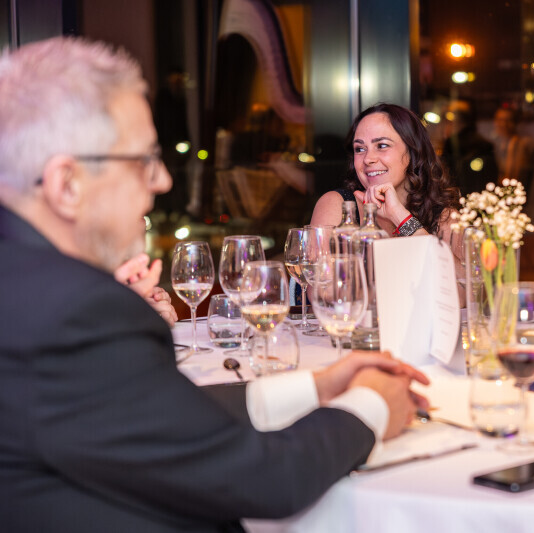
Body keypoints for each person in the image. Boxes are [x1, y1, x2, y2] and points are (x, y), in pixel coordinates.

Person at [0, 37, 428, 531]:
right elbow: (266, 479)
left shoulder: (27, 287)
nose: (162, 181)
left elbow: (161, 415)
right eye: (143, 161)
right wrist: (371, 404)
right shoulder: (73, 314)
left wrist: (315, 387)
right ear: (66, 185)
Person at [310, 102, 461, 246]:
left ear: (413, 151)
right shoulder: (337, 206)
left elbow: (448, 265)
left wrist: (399, 216)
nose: (368, 159)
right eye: (360, 149)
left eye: (382, 145)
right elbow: (318, 264)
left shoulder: (444, 217)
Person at [440, 100, 498, 196]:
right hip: (480, 199)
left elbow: (447, 177)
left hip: (460, 197)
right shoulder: (484, 145)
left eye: (449, 119)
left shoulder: (453, 145)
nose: (446, 123)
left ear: (458, 121)